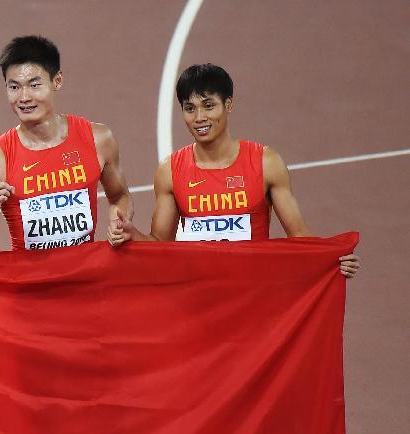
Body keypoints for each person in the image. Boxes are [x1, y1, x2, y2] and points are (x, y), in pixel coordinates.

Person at [108, 63, 360, 278]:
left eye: (209, 105)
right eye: (190, 108)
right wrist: (132, 234)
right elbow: (160, 246)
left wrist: (333, 258)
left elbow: (299, 237)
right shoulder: (170, 171)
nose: (199, 118)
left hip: (251, 296)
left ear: (228, 105)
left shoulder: (266, 163)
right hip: (198, 296)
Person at [0, 35, 132, 261]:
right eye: (14, 87)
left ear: (57, 81)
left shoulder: (97, 139)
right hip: (31, 287)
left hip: (84, 280)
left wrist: (119, 221)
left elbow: (120, 196)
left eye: (34, 85)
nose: (24, 97)